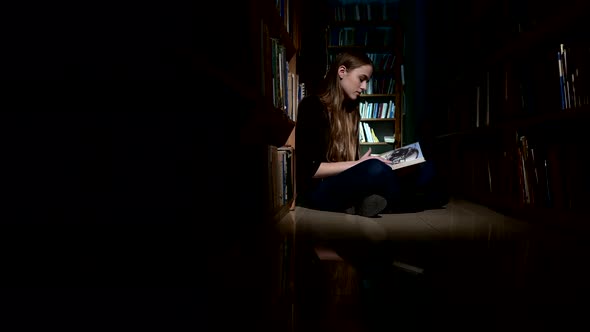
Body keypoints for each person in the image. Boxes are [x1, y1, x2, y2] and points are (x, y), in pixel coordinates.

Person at [295, 50, 446, 217]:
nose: (364, 87)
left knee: (424, 164)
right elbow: (312, 170)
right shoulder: (312, 106)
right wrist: (360, 165)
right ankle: (415, 200)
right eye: (362, 79)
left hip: (346, 183)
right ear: (342, 71)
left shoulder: (351, 111)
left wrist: (363, 163)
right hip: (320, 191)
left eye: (367, 81)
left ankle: (364, 203)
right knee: (376, 169)